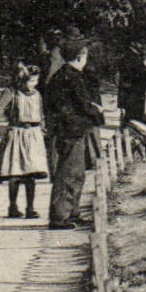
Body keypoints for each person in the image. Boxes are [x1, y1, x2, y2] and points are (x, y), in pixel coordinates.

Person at [43, 36, 100, 229]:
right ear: (79, 56)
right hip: (72, 131)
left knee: (76, 173)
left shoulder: (59, 76)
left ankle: (71, 212)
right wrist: (96, 111)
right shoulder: (74, 77)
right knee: (69, 174)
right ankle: (60, 216)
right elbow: (83, 105)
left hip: (66, 130)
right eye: (85, 56)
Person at [0, 63, 49, 219]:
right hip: (17, 133)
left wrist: (44, 129)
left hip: (33, 135)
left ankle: (30, 207)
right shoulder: (11, 93)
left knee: (31, 173)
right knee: (15, 172)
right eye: (29, 81)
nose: (32, 85)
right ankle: (13, 206)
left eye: (35, 81)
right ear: (20, 80)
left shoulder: (37, 95)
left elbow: (41, 113)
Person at [117, 42, 146, 128]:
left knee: (128, 112)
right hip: (135, 91)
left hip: (127, 90)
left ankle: (126, 125)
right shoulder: (134, 58)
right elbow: (139, 75)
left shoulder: (125, 57)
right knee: (134, 114)